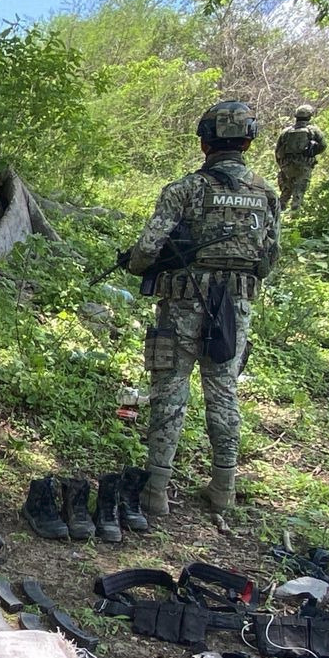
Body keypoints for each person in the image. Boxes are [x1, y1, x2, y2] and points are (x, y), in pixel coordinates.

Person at [121, 100, 281, 515]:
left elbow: (146, 250)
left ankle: (156, 490)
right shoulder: (266, 194)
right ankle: (224, 487)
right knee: (224, 391)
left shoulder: (184, 190)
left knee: (169, 391)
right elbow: (268, 260)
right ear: (248, 141)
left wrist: (140, 263)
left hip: (182, 304)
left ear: (204, 142)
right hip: (234, 309)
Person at [274, 104, 326, 211]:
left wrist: (282, 165)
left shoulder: (286, 131)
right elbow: (323, 145)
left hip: (287, 166)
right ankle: (295, 214)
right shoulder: (313, 130)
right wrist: (311, 153)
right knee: (299, 191)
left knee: (285, 191)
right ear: (309, 116)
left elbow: (278, 150)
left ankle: (279, 213)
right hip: (304, 165)